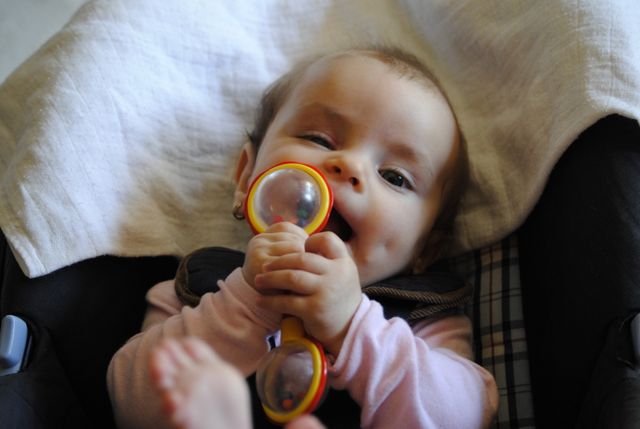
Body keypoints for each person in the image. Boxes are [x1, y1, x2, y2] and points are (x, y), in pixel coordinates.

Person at [107, 45, 498, 429]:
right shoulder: (197, 289)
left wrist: (353, 329)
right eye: (319, 140)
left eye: (394, 177)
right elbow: (134, 407)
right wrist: (247, 304)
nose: (349, 165)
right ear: (247, 178)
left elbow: (463, 417)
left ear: (425, 248)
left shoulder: (423, 321)